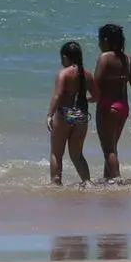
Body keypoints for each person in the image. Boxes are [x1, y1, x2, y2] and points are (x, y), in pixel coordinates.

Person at [95, 24, 131, 183]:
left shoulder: (105, 58)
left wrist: (85, 99)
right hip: (123, 108)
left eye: (100, 40)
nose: (99, 44)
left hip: (107, 107)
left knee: (108, 149)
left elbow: (96, 83)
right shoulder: (128, 60)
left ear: (106, 40)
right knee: (112, 147)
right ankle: (107, 179)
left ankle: (116, 180)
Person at [46, 40, 98, 185]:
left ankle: (56, 184)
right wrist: (83, 100)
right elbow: (96, 96)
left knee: (57, 153)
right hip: (81, 116)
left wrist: (49, 115)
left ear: (65, 57)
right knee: (77, 154)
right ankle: (87, 182)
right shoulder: (87, 74)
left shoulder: (63, 73)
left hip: (64, 114)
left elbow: (57, 95)